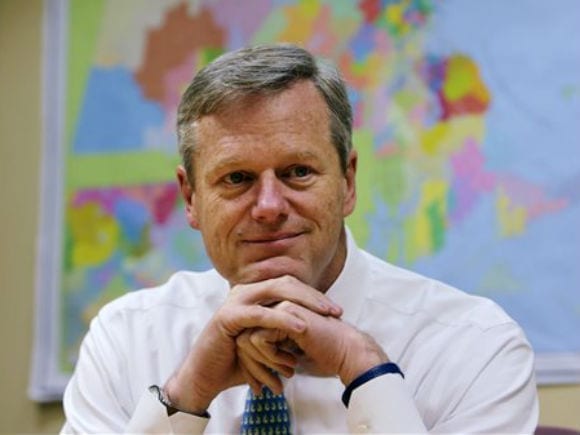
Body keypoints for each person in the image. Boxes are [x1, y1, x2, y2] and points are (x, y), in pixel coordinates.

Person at [61, 43, 538, 434]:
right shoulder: (126, 338)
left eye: (297, 172)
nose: (269, 206)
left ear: (347, 182)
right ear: (190, 198)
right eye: (236, 178)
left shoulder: (475, 346)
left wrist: (364, 367)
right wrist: (186, 394)